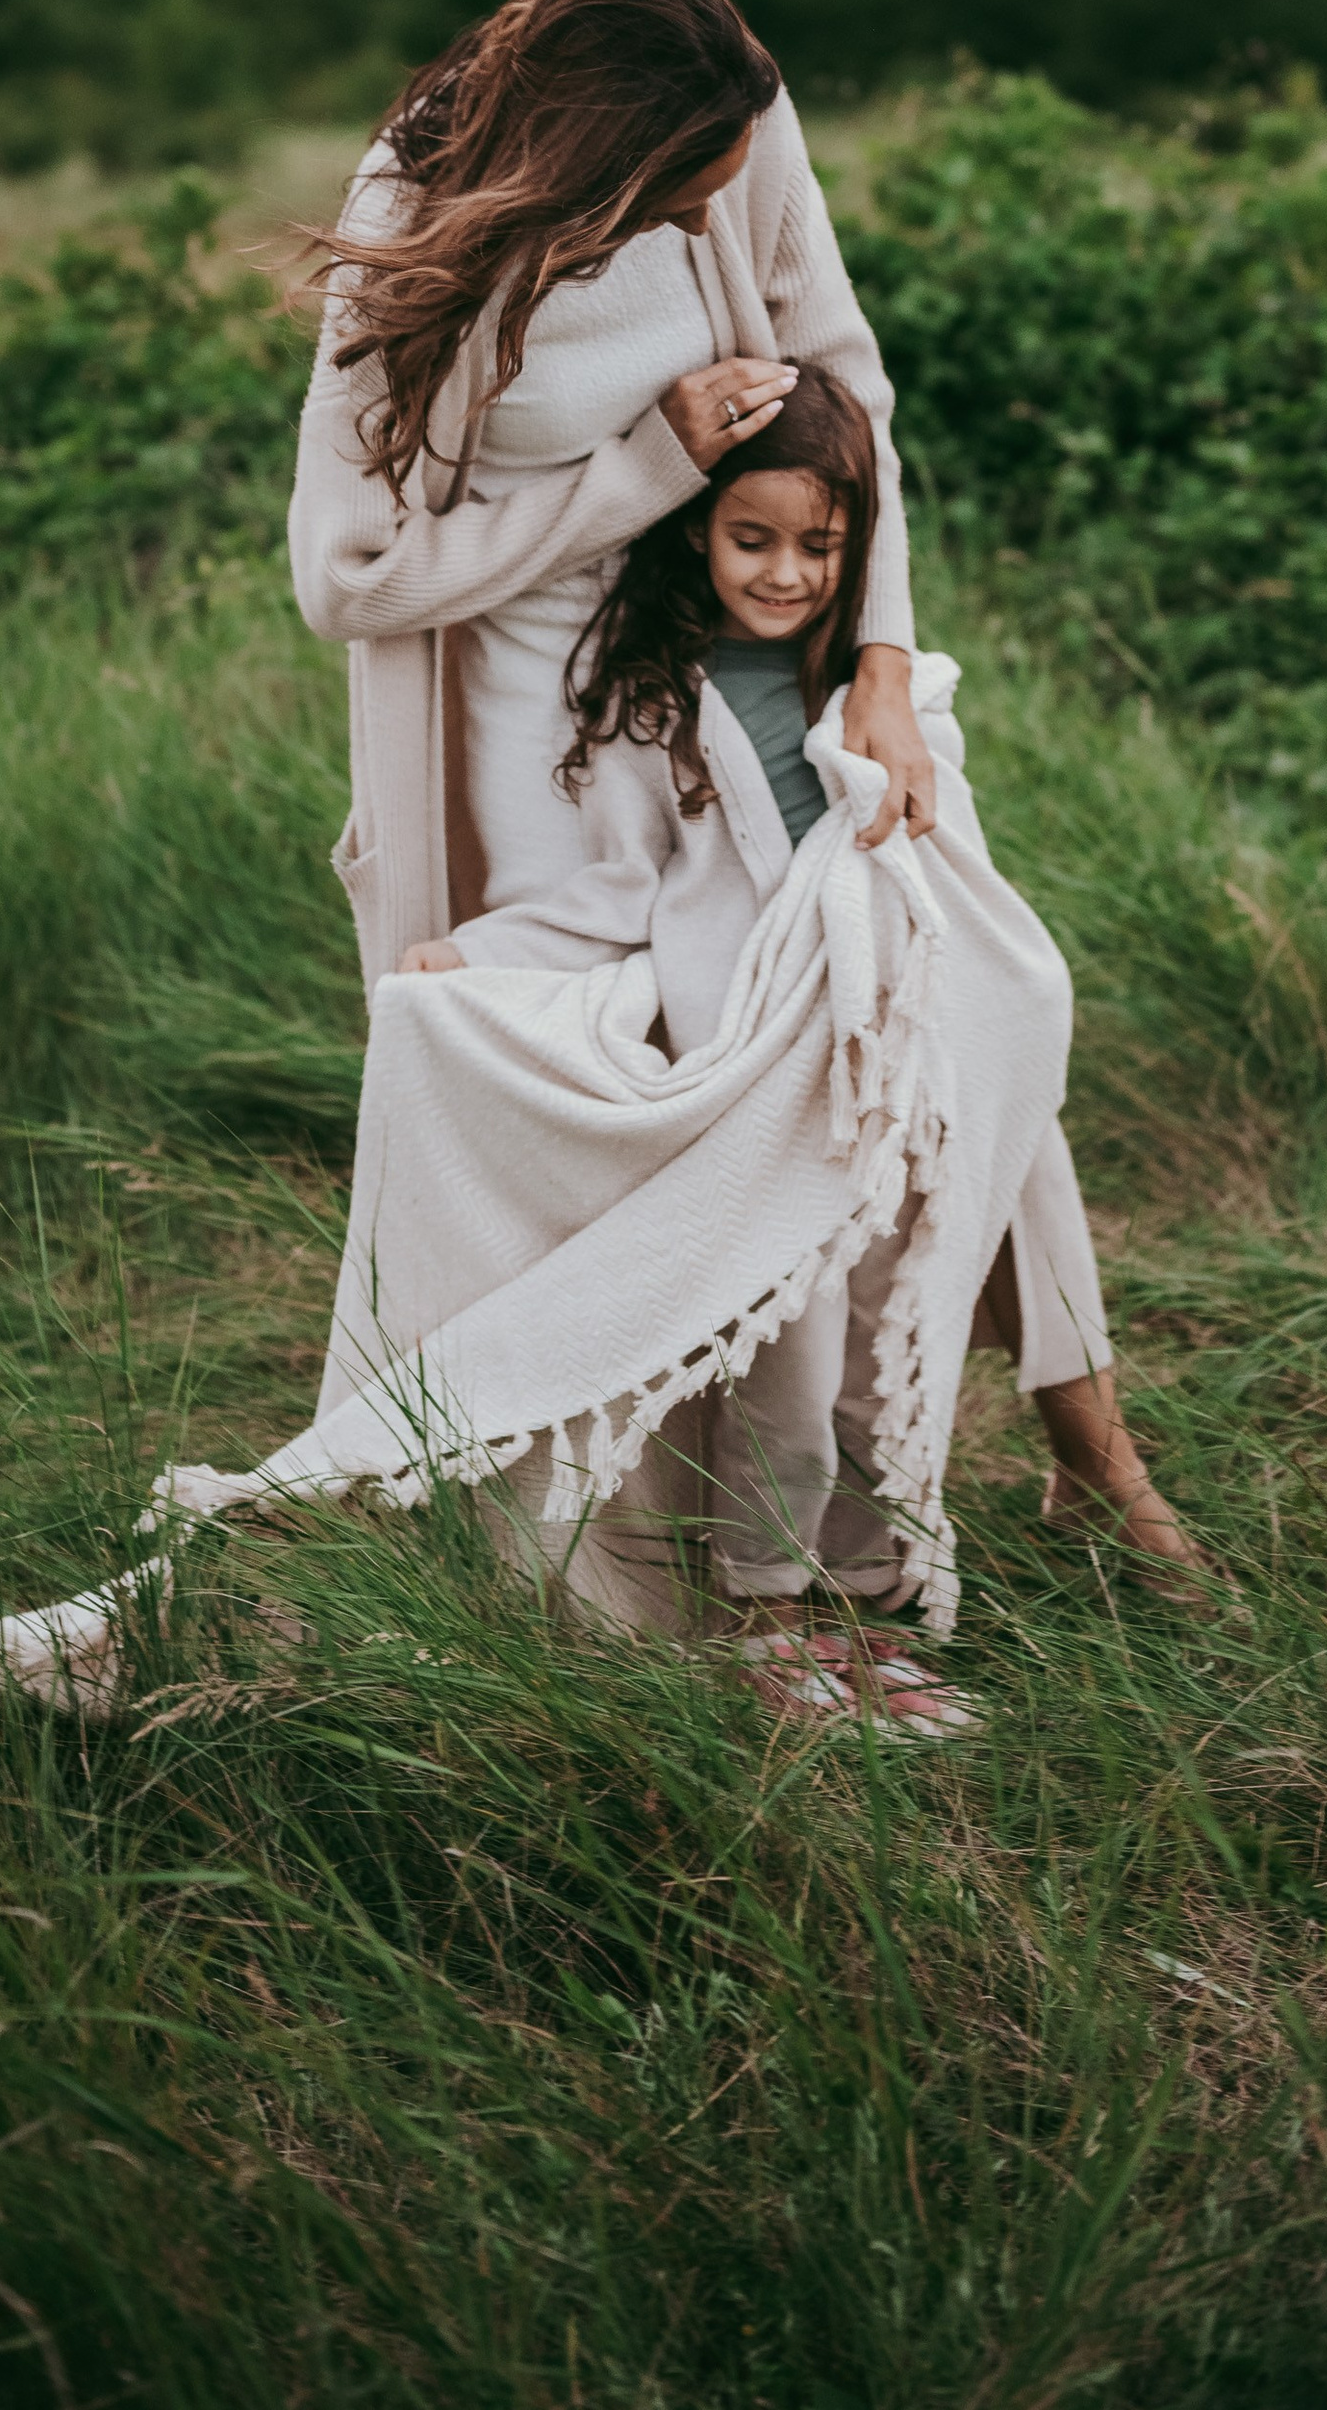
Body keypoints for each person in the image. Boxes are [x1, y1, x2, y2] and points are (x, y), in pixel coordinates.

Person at [288, 0, 1193, 1612]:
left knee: (939, 1003)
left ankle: (1095, 1464)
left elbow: (853, 399)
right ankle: (652, 1556)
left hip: (769, 661)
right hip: (541, 728)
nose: (716, 209)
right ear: (590, 161)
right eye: (678, 193)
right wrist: (648, 466)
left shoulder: (742, 126)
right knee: (663, 1107)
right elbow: (348, 579)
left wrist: (887, 671)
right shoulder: (418, 203)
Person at [392, 364, 1203, 1713]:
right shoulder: (658, 702)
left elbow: (952, 872)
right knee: (795, 1330)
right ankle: (770, 1608)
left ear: (856, 549)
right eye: (749, 539)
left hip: (897, 1044)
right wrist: (476, 954)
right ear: (697, 534)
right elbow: (620, 892)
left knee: (911, 1302)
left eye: (816, 546)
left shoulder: (891, 696)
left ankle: (880, 1588)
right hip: (770, 1064)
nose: (782, 574)